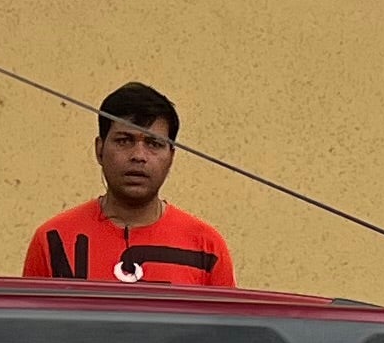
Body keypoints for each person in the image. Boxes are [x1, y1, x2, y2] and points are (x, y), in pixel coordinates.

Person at [20, 82, 233, 287]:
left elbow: (226, 324)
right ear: (99, 149)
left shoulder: (207, 247)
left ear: (171, 157)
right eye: (124, 140)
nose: (138, 155)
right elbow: (31, 323)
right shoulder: (52, 240)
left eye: (153, 144)